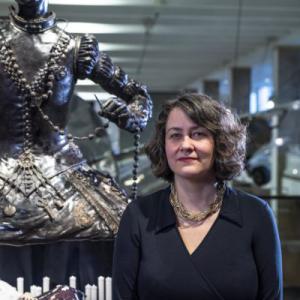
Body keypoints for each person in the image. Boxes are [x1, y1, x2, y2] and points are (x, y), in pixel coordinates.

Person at [0, 0, 152, 290]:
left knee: (121, 223)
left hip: (62, 168)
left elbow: (138, 96)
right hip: (4, 163)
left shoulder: (75, 48)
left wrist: (132, 115)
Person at [112, 93, 283, 300]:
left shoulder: (256, 214)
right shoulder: (139, 215)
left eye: (198, 134)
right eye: (175, 135)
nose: (185, 145)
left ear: (220, 142)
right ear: (164, 145)